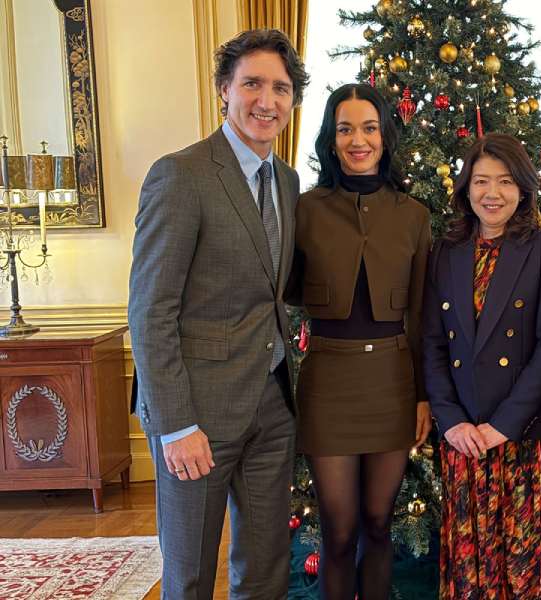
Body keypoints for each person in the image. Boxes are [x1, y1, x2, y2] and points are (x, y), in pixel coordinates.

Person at [128, 29, 308, 599]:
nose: (267, 100)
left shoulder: (286, 180)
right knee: (189, 573)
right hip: (197, 414)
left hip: (272, 408)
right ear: (223, 92)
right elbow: (151, 310)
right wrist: (177, 425)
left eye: (280, 88)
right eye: (252, 83)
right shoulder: (181, 175)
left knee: (264, 570)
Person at [284, 83, 431, 600]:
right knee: (340, 531)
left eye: (369, 127)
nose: (357, 139)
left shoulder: (413, 214)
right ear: (331, 138)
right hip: (329, 381)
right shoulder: (304, 209)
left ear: (385, 137)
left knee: (377, 523)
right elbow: (283, 290)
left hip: (392, 382)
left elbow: (419, 313)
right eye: (345, 128)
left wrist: (421, 394)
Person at [423, 132, 541, 598]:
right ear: (466, 189)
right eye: (481, 182)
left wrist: (504, 426)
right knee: (477, 572)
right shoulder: (446, 250)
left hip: (527, 438)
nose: (492, 194)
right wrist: (450, 422)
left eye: (506, 182)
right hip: (466, 441)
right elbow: (432, 343)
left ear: (524, 189)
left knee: (531, 568)